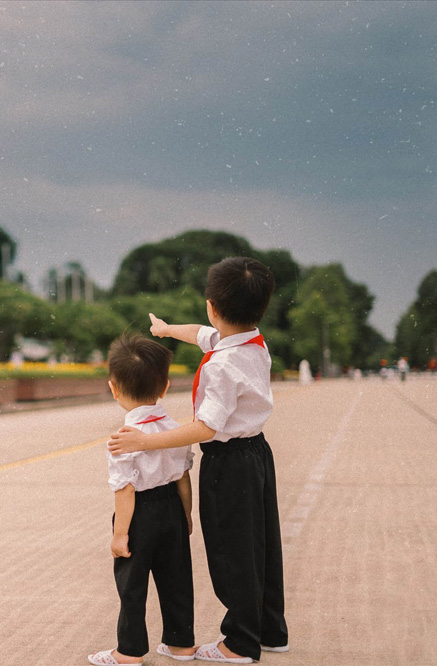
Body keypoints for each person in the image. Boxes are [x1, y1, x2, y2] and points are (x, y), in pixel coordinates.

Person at [108, 257, 289, 664]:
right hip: (258, 453)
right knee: (262, 544)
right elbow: (202, 334)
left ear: (211, 305)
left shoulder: (224, 365)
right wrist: (167, 330)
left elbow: (205, 427)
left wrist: (146, 442)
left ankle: (239, 643)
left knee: (232, 551)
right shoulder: (250, 342)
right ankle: (270, 629)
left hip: (230, 462)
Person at [88, 334, 196, 665]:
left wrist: (120, 534)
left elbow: (125, 491)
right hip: (172, 510)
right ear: (164, 386)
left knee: (132, 584)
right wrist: (187, 515)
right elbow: (183, 476)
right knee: (176, 578)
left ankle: (129, 651)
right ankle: (181, 643)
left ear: (114, 388)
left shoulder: (123, 439)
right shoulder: (174, 429)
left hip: (140, 515)